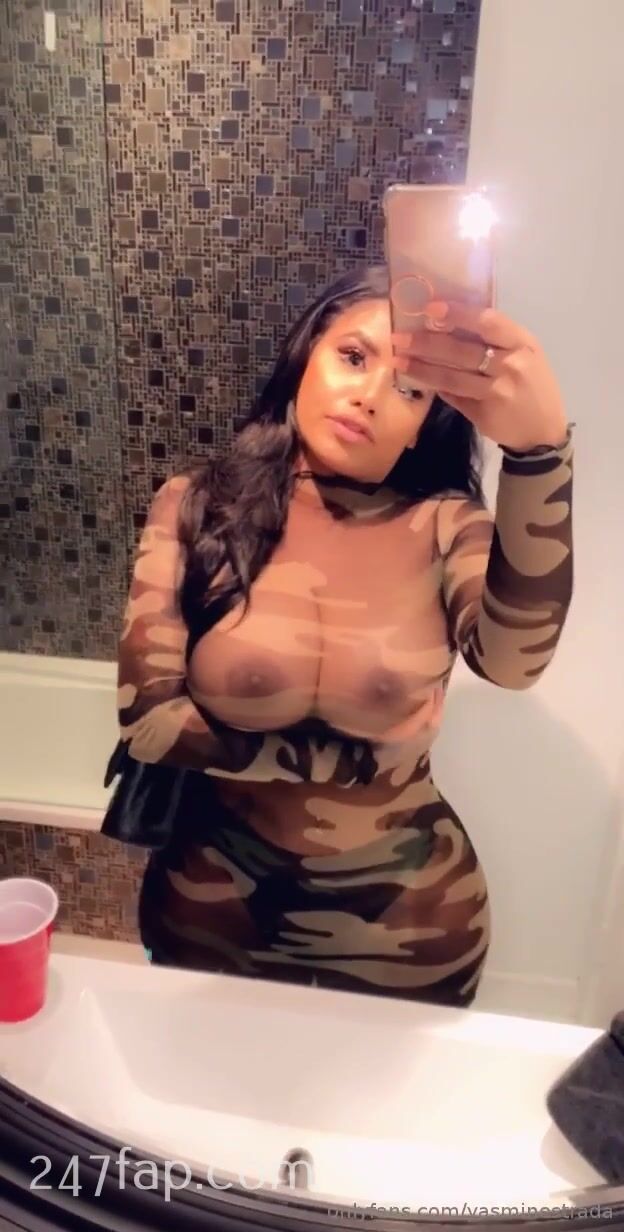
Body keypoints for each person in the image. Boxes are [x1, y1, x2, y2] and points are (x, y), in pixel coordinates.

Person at [112, 264, 574, 1008]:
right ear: (307, 355)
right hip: (212, 910)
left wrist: (539, 456)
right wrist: (354, 760)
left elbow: (517, 663)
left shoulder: (445, 526)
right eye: (354, 357)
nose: (371, 395)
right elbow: (149, 723)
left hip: (411, 924)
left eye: (411, 389)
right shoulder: (195, 505)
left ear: (427, 422)